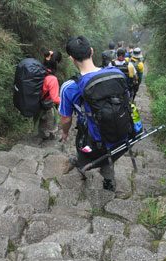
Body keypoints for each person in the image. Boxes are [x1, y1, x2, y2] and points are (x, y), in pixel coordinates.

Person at [59, 36, 131, 192]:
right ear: (92, 51)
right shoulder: (115, 73)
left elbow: (66, 119)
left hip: (95, 142)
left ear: (71, 59)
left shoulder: (69, 87)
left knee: (85, 154)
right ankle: (108, 181)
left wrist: (65, 133)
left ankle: (81, 168)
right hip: (122, 134)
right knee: (109, 156)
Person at [35, 50, 62, 140]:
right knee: (53, 118)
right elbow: (55, 99)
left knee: (42, 120)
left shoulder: (40, 72)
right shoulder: (52, 79)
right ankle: (51, 135)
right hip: (46, 104)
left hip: (37, 101)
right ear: (55, 64)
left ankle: (41, 134)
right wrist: (66, 100)